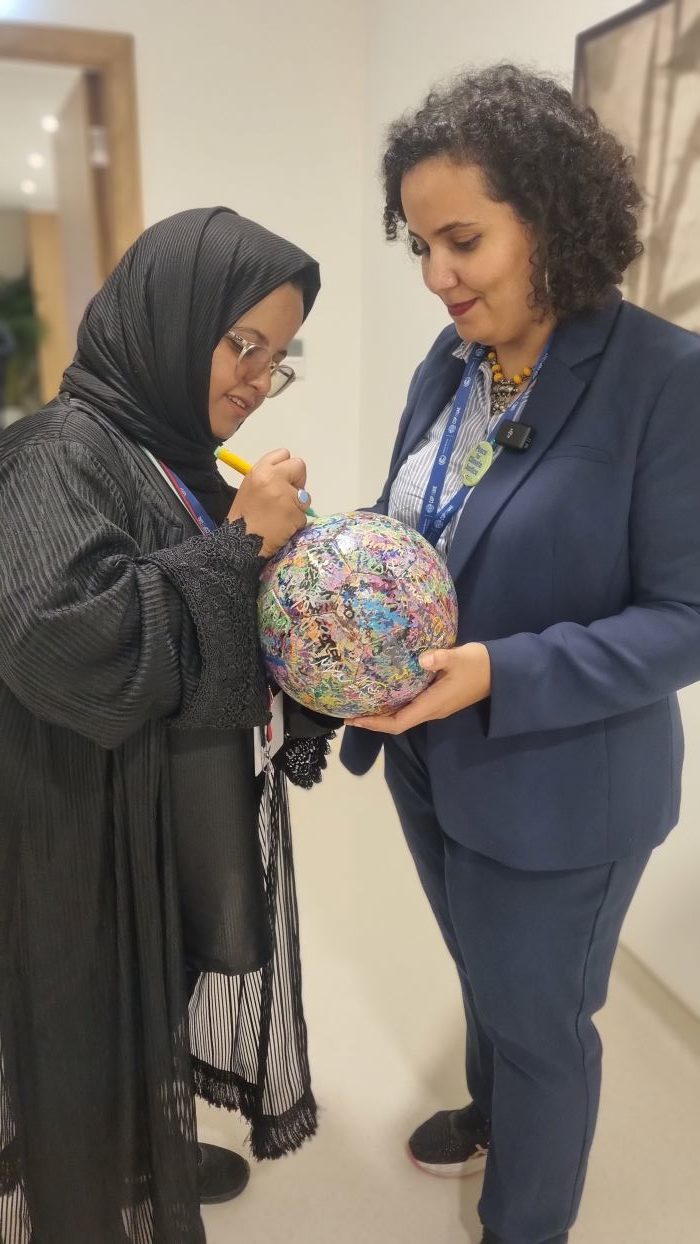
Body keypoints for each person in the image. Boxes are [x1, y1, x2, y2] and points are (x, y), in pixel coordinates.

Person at [341, 64, 700, 1244]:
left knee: (543, 1023)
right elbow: (420, 523)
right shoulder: (449, 366)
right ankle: (492, 1108)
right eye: (421, 247)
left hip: (564, 787)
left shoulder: (663, 380)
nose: (437, 278)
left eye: (463, 241)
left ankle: (523, 1223)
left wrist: (501, 670)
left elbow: (685, 618)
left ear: (548, 217)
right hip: (431, 757)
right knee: (487, 977)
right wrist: (331, 559)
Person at [0, 207, 332, 1244]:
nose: (252, 377)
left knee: (144, 1006)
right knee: (80, 1037)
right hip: (76, 834)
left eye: (275, 359)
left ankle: (141, 1150)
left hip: (145, 815)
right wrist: (236, 550)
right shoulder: (61, 451)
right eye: (240, 342)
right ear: (168, 316)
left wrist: (275, 570)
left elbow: (187, 601)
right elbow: (56, 633)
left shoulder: (164, 450)